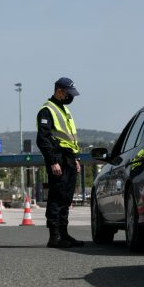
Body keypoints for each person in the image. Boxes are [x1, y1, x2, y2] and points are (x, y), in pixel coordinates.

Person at [36, 77, 84, 248]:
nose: (70, 97)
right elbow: (43, 139)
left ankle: (64, 234)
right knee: (57, 197)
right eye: (68, 94)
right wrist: (52, 161)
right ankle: (54, 236)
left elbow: (70, 137)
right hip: (58, 158)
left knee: (66, 197)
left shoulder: (64, 110)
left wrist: (76, 158)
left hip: (69, 158)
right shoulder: (47, 110)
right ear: (59, 91)